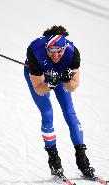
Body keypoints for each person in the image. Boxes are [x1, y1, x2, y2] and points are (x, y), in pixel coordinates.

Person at [24, 25, 95, 179]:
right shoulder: (35, 51)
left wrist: (67, 79)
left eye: (59, 50)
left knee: (69, 113)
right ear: (46, 48)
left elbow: (73, 86)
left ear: (65, 47)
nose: (56, 54)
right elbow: (39, 89)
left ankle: (82, 159)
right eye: (51, 50)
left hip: (59, 75)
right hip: (40, 77)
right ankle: (54, 160)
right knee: (47, 112)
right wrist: (50, 83)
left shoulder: (72, 53)